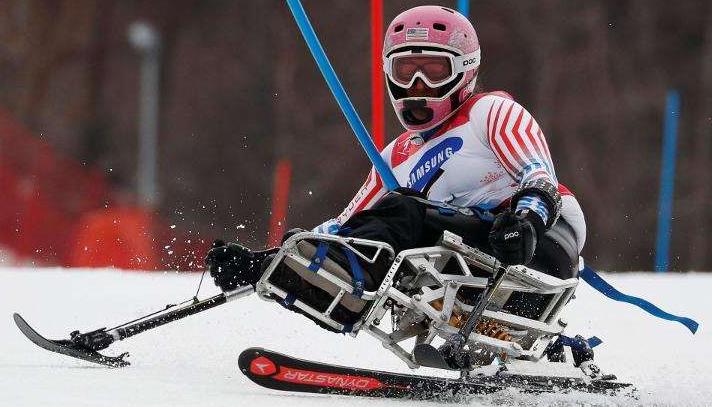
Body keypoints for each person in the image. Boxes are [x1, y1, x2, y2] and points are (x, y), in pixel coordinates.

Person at [206, 5, 586, 326]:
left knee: (405, 209)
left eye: (434, 71)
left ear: (465, 70)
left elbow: (540, 178)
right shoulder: (395, 157)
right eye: (406, 72)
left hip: (535, 251)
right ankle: (308, 282)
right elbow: (346, 228)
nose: (418, 84)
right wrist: (266, 261)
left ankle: (352, 288)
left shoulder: (488, 112)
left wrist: (525, 222)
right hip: (462, 269)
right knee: (380, 223)